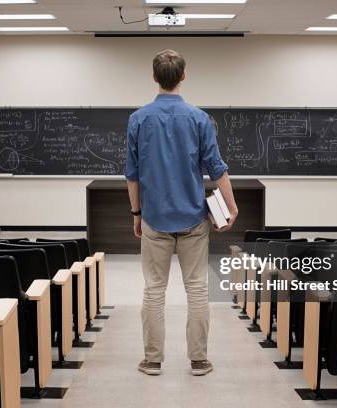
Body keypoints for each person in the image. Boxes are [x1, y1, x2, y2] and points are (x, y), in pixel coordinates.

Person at [124, 49, 238, 376]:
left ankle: (152, 360)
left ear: (154, 77)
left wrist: (136, 213)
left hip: (154, 219)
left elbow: (132, 175)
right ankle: (199, 360)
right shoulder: (199, 118)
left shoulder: (138, 119)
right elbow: (217, 169)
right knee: (198, 289)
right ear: (183, 76)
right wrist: (231, 206)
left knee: (153, 290)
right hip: (192, 218)